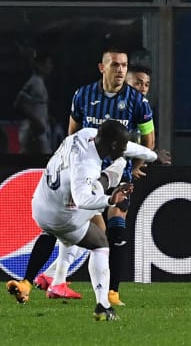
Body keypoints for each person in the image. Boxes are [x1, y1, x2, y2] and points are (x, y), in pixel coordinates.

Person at [23, 48, 155, 306]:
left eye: (124, 65)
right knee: (87, 231)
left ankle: (108, 292)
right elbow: (73, 134)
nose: (120, 70)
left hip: (118, 174)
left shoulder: (138, 102)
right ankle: (61, 282)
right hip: (86, 176)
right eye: (115, 65)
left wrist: (138, 165)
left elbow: (148, 141)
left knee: (112, 233)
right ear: (102, 67)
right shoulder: (83, 95)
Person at [6, 120, 159, 320]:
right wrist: (111, 200)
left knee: (70, 223)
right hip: (62, 215)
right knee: (100, 242)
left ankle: (36, 280)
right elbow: (83, 199)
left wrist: (153, 155)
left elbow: (127, 146)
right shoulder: (86, 166)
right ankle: (102, 305)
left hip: (41, 203)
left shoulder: (87, 134)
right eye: (120, 147)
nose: (124, 149)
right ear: (112, 145)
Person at [14, 48, 52, 154]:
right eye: (47, 63)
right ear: (39, 65)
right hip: (33, 133)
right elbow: (19, 103)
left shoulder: (39, 83)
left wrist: (46, 118)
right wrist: (37, 121)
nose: (50, 66)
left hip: (38, 133)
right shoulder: (34, 82)